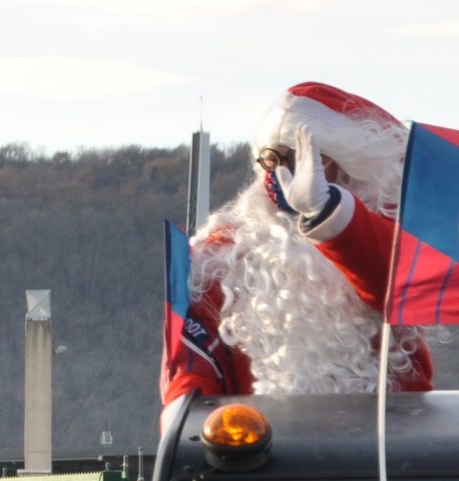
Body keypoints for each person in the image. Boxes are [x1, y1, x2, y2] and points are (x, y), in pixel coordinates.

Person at [162, 82, 437, 411]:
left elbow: (398, 282)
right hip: (259, 451)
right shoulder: (221, 256)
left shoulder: (390, 250)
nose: (285, 173)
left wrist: (331, 213)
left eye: (308, 159)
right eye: (275, 158)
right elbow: (191, 366)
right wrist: (188, 422)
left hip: (388, 449)